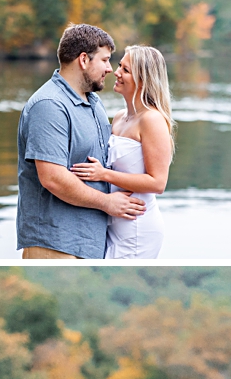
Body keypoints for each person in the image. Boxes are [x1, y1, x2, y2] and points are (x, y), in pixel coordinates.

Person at [15, 24, 145, 260]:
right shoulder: (50, 105)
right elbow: (52, 178)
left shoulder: (93, 102)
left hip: (89, 244)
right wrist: (107, 202)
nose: (110, 69)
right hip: (55, 245)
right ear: (84, 60)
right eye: (105, 60)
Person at [69, 44, 173, 259]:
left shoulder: (151, 120)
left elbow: (158, 183)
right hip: (113, 221)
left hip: (137, 225)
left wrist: (103, 174)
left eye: (125, 70)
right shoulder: (118, 117)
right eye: (119, 66)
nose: (115, 72)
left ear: (143, 80)